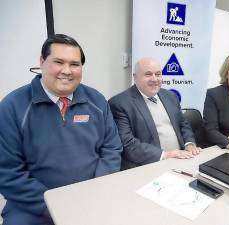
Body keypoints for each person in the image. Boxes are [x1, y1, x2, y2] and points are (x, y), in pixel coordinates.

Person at [0, 34, 123, 225]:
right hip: (34, 207)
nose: (67, 71)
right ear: (42, 62)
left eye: (74, 64)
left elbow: (112, 148)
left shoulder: (97, 100)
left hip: (92, 197)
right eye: (59, 62)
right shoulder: (12, 106)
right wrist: (56, 205)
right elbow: (8, 172)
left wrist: (97, 190)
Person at [108, 57, 200, 169]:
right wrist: (165, 155)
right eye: (148, 74)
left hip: (180, 160)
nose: (154, 79)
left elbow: (183, 123)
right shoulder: (119, 103)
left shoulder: (170, 96)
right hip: (147, 166)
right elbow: (128, 144)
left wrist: (189, 143)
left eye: (158, 74)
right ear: (135, 77)